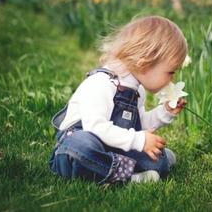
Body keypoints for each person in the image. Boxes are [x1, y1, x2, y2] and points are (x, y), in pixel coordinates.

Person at [49, 15, 187, 184]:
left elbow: (138, 125)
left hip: (111, 148)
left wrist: (165, 112)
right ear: (145, 63)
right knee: (81, 145)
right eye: (170, 72)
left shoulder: (137, 90)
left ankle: (111, 170)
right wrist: (138, 140)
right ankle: (129, 177)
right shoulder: (102, 83)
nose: (171, 79)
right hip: (78, 149)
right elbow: (95, 128)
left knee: (158, 161)